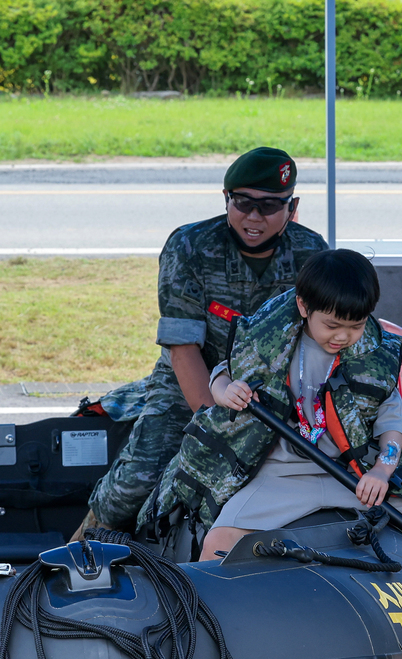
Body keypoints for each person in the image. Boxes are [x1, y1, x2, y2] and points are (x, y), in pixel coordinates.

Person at [143, 249, 402, 621]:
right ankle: (200, 620)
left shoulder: (371, 357)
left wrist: (382, 472)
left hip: (356, 474)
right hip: (283, 476)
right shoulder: (271, 340)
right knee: (219, 539)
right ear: (303, 306)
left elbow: (392, 429)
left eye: (355, 327)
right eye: (332, 325)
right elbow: (223, 375)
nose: (343, 336)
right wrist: (225, 390)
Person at [79, 147, 327, 535]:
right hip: (190, 381)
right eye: (243, 203)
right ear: (226, 199)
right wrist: (214, 425)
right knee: (138, 479)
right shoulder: (189, 248)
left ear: (292, 206)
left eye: (270, 206)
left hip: (271, 389)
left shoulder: (312, 254)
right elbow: (183, 349)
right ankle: (84, 542)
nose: (254, 217)